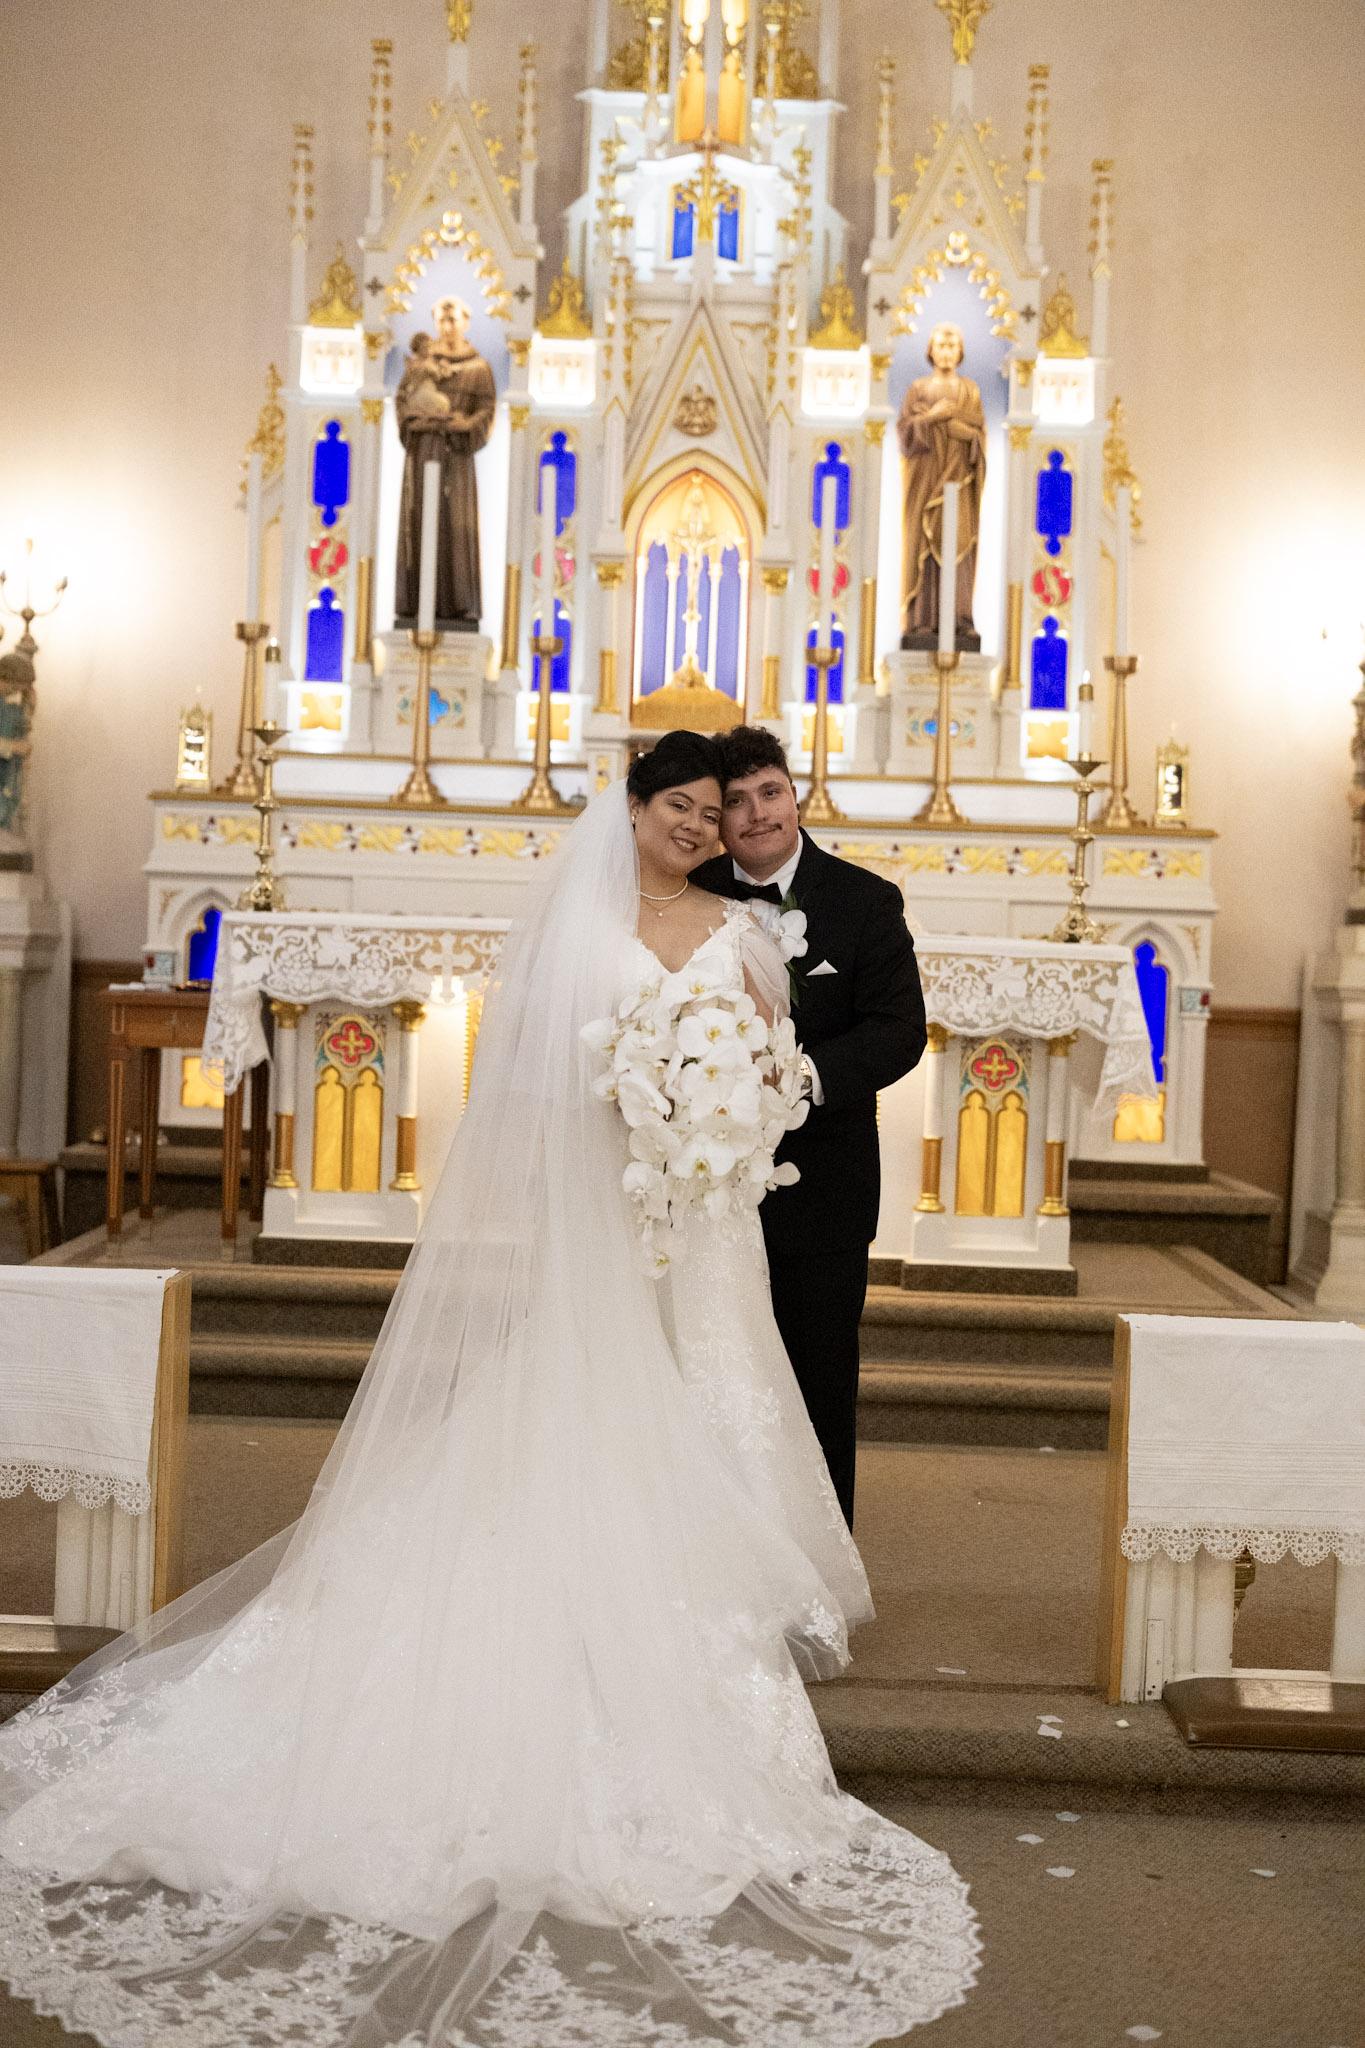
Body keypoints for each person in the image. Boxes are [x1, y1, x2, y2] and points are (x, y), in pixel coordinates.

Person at [0, 733, 978, 2047]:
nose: (703, 823)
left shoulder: (749, 928)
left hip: (715, 1219)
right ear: (635, 809)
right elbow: (535, 1075)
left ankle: (738, 1612)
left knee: (734, 1392)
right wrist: (634, 1109)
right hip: (613, 1211)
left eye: (719, 806)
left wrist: (720, 1117)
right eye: (683, 806)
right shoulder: (581, 926)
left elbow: (770, 1055)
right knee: (604, 1405)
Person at [694, 725, 927, 1526]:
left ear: (794, 796)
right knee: (711, 1383)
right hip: (706, 1190)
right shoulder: (684, 894)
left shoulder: (864, 901)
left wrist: (798, 1076)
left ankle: (823, 1569)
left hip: (823, 1189)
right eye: (735, 802)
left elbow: (898, 1030)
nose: (757, 814)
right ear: (717, 820)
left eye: (770, 792)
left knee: (816, 1384)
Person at [394, 295, 496, 631]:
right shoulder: (422, 364)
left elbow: (486, 411)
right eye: (441, 320)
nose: (447, 327)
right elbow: (403, 402)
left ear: (466, 322)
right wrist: (418, 422)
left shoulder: (478, 368)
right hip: (425, 452)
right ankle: (418, 603)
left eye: (453, 320)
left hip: (457, 458)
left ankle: (458, 603)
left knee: (457, 526)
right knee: (423, 520)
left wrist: (465, 424)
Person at [897, 321, 987, 650]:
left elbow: (978, 434)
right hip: (925, 482)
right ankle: (921, 619)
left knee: (959, 544)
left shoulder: (970, 391)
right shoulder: (918, 389)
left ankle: (960, 617)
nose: (946, 352)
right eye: (941, 346)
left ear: (960, 352)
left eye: (952, 346)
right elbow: (905, 434)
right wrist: (933, 418)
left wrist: (967, 436)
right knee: (922, 543)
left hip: (959, 484)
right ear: (930, 351)